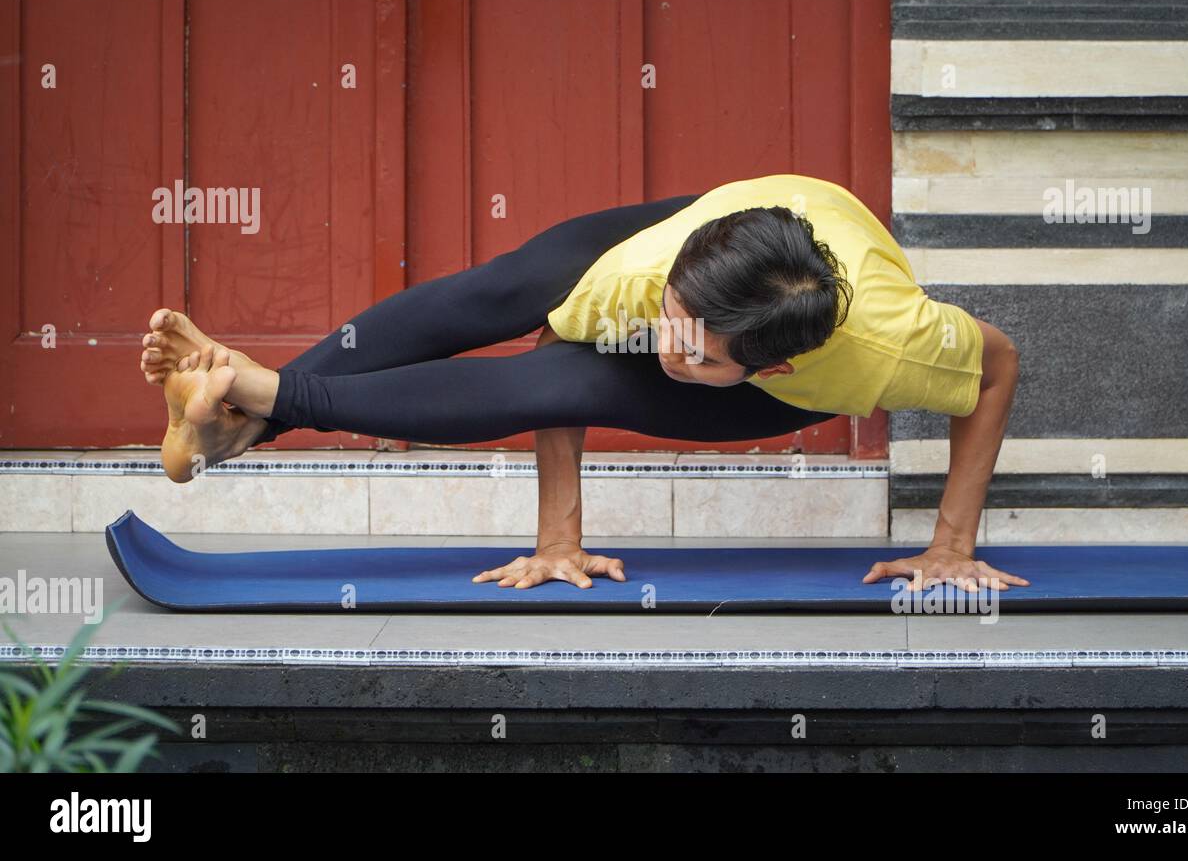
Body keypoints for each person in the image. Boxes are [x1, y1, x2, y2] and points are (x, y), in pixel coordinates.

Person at [139, 173, 1026, 593]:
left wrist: (951, 544)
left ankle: (253, 398)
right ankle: (251, 415)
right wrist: (558, 536)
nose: (664, 346)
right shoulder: (646, 279)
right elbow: (551, 349)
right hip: (705, 234)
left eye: (693, 348)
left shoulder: (896, 348)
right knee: (505, 290)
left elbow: (999, 369)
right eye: (669, 323)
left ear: (775, 362)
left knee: (575, 380)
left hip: (776, 356)